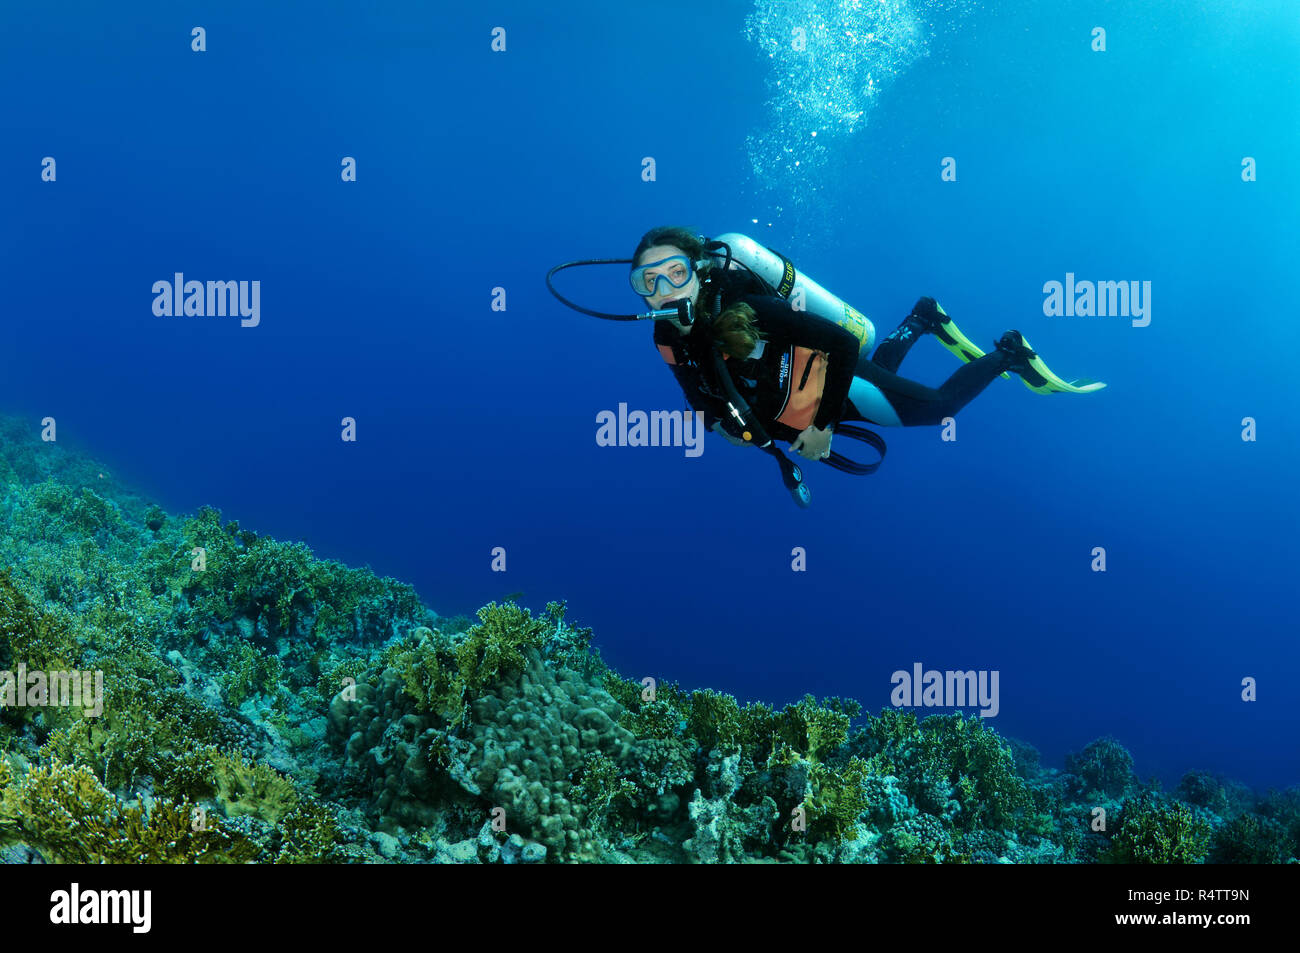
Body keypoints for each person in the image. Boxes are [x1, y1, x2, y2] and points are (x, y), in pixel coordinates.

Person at [632, 225, 1087, 462]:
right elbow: (696, 394)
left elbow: (844, 346)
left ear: (697, 269)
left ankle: (1010, 352)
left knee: (939, 409)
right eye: (648, 281)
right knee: (887, 379)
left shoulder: (748, 306)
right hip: (800, 405)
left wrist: (823, 427)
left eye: (675, 272)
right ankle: (921, 319)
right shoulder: (665, 336)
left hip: (835, 383)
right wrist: (721, 427)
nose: (665, 291)